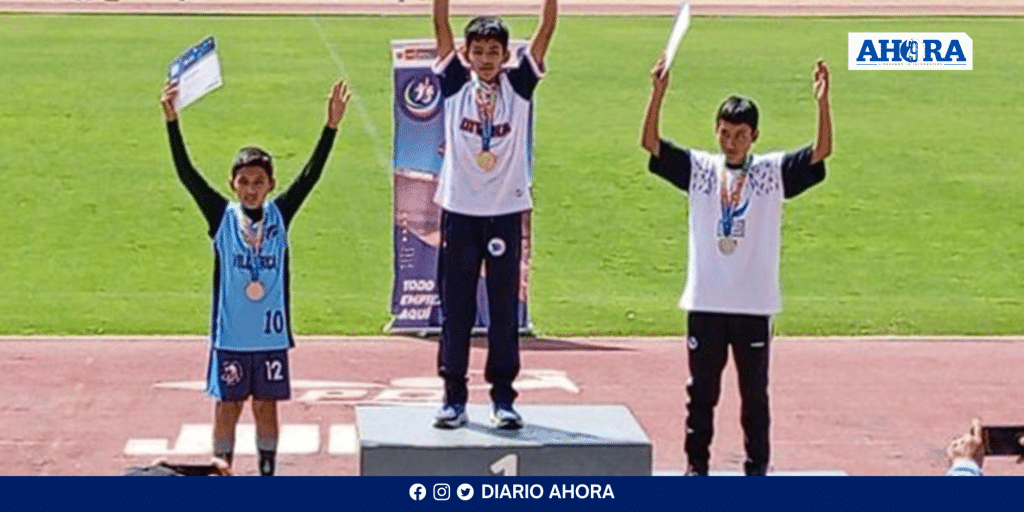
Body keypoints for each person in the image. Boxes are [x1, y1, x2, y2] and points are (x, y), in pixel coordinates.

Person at [640, 56, 833, 475]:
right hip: (706, 301)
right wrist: (658, 93)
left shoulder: (770, 172)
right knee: (700, 394)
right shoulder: (701, 169)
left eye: (741, 135)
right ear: (716, 131)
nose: (731, 142)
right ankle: (696, 469)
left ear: (755, 136)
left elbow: (821, 152)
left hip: (753, 304)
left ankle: (756, 471)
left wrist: (822, 103)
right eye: (725, 133)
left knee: (754, 397)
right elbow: (651, 143)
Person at [160, 79, 350, 475]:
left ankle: (266, 474)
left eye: (258, 182)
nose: (251, 189)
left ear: (271, 185)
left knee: (266, 406)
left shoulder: (280, 214)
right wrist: (172, 121)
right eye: (244, 182)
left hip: (270, 337)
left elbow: (310, 176)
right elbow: (187, 174)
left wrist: (331, 127)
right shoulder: (222, 217)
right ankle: (222, 471)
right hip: (231, 336)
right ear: (232, 183)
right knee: (227, 406)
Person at [430, 0, 558, 430]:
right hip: (460, 212)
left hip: (504, 211)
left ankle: (503, 398)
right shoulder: (453, 83)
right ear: (466, 54)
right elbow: (440, 23)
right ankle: (453, 397)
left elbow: (545, 31)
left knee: (504, 310)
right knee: (457, 309)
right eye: (479, 51)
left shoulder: (519, 86)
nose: (486, 59)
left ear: (506, 56)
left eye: (494, 52)